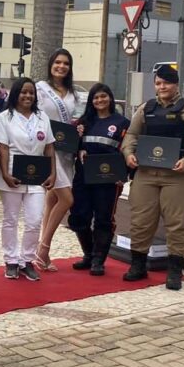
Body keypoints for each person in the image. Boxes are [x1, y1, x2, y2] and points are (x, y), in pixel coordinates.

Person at [121, 64, 184, 290]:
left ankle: (174, 271)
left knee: (177, 223)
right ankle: (138, 265)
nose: (162, 87)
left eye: (167, 83)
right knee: (141, 221)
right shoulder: (146, 109)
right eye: (158, 83)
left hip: (178, 175)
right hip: (146, 174)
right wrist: (128, 153)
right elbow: (131, 134)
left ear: (176, 84)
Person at [0, 77, 56, 281]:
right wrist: (5, 173)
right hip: (12, 174)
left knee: (34, 220)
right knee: (10, 219)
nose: (28, 96)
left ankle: (27, 260)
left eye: (31, 93)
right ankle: (11, 260)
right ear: (16, 94)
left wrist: (53, 172)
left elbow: (49, 147)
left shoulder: (42, 117)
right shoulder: (4, 117)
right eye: (23, 92)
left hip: (37, 176)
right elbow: (3, 147)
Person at [68, 83, 130, 276]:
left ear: (110, 98)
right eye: (96, 97)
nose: (100, 100)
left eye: (103, 96)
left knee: (104, 217)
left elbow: (128, 149)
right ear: (91, 101)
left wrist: (123, 174)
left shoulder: (122, 123)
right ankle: (88, 254)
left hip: (108, 179)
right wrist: (78, 148)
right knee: (79, 215)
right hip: (83, 176)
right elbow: (71, 146)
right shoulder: (83, 122)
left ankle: (98, 260)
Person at [35, 48, 80, 271]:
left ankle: (42, 254)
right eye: (58, 62)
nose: (61, 66)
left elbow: (74, 119)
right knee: (66, 199)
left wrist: (77, 128)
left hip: (66, 151)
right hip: (47, 149)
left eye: (66, 63)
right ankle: (43, 249)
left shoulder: (73, 94)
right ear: (51, 64)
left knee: (52, 199)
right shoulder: (40, 89)